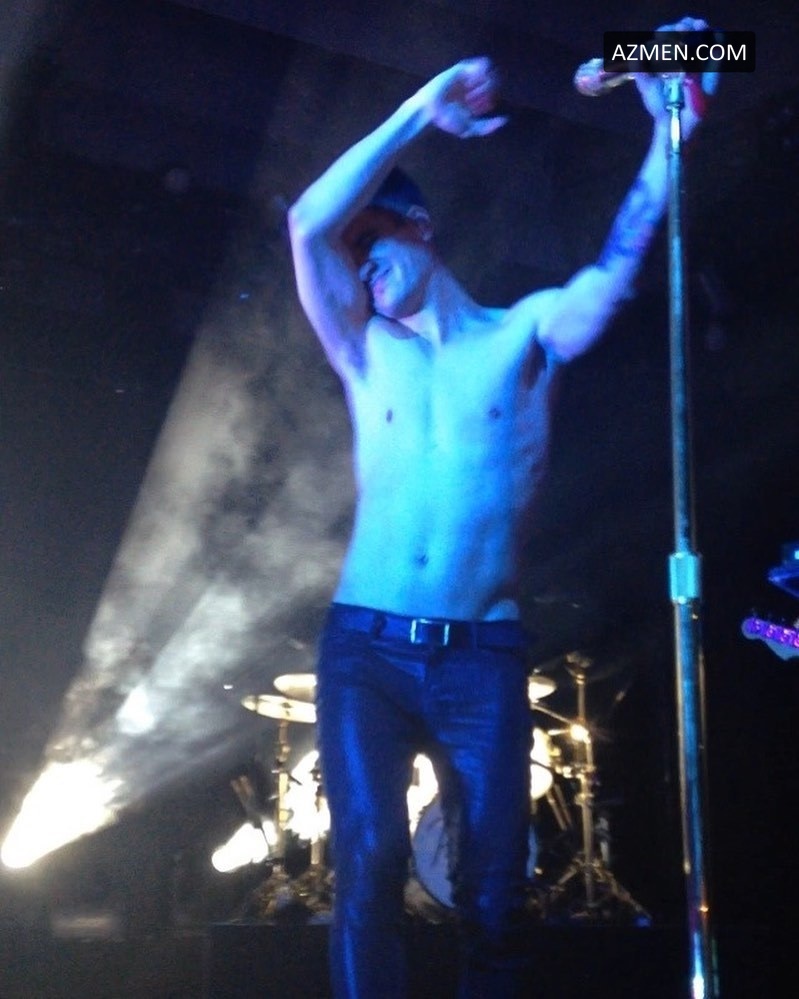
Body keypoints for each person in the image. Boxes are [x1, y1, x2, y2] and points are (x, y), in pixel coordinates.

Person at [287, 17, 709, 998]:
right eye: (353, 257)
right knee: (369, 864)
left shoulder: (520, 332)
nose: (358, 267)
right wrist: (418, 110)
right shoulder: (364, 349)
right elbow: (306, 223)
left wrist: (669, 137)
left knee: (493, 893)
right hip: (366, 651)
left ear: (420, 229)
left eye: (372, 244)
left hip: (481, 655)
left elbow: (613, 276)